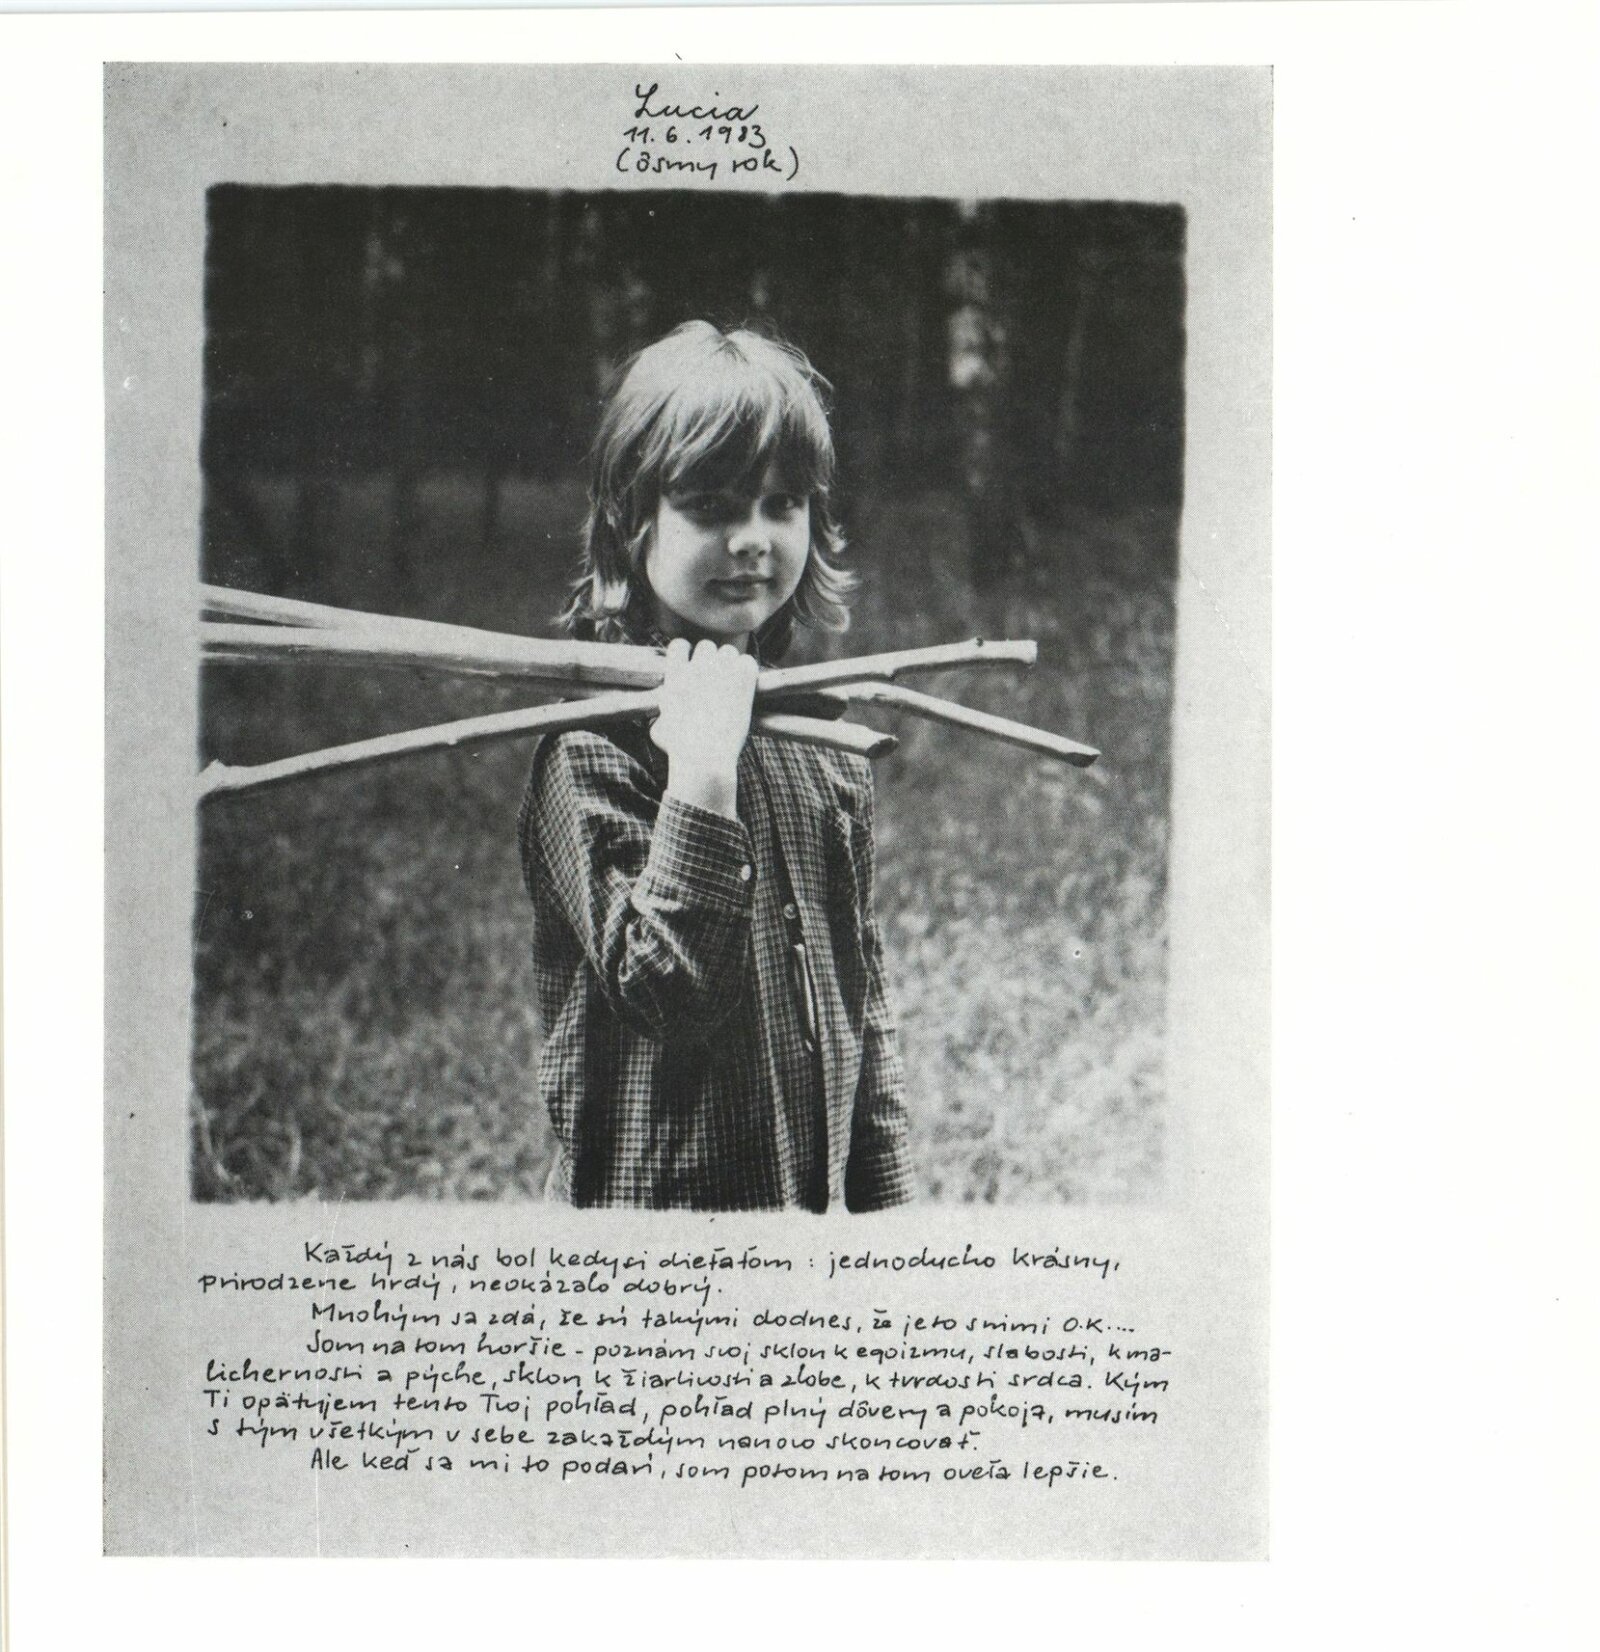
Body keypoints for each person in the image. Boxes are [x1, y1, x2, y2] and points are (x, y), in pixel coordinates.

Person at [517, 320, 914, 1212]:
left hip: (802, 1218)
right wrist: (700, 775)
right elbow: (668, 993)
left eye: (782, 504)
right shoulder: (592, 751)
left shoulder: (822, 745)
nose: (753, 539)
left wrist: (887, 1208)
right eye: (711, 507)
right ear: (631, 520)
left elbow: (862, 1003)